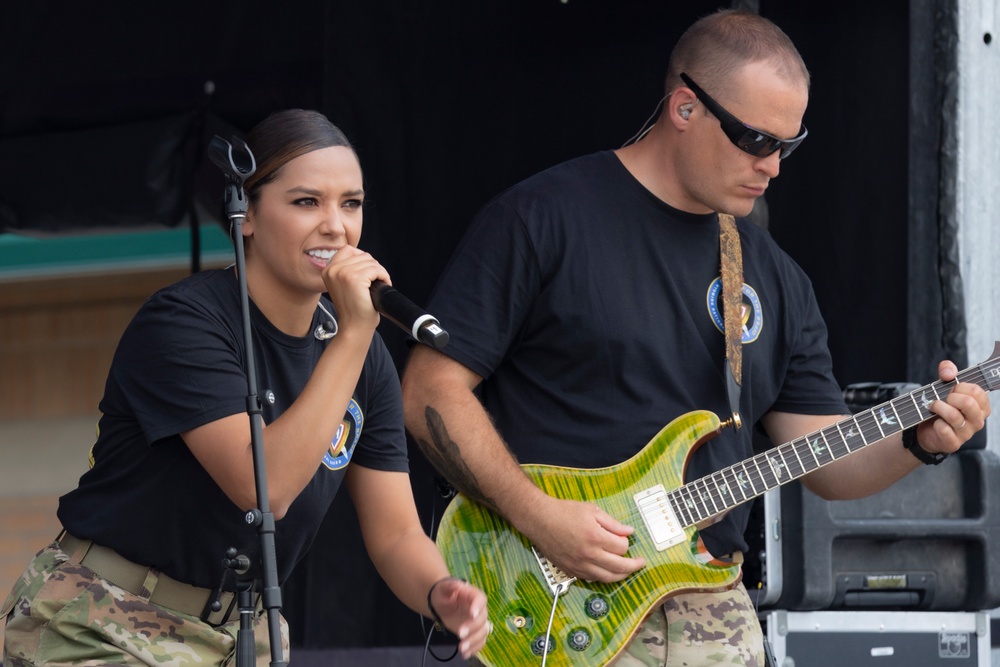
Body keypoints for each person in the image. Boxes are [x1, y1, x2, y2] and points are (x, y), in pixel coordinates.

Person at [400, 9, 991, 667]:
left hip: (712, 609)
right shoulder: (542, 220)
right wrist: (542, 516)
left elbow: (826, 459)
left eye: (787, 146)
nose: (771, 165)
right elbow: (431, 390)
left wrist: (919, 439)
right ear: (685, 107)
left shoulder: (775, 277)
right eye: (753, 139)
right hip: (549, 597)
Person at [2, 109, 489, 667]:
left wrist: (439, 591)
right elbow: (265, 489)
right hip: (102, 620)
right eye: (307, 202)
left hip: (239, 635)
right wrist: (354, 333)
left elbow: (397, 532)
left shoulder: (363, 356)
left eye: (350, 203)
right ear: (247, 215)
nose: (336, 225)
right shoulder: (184, 322)